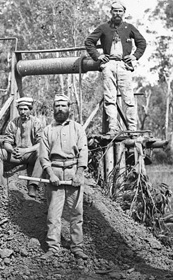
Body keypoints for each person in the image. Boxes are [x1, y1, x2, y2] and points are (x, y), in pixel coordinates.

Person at [84, 0, 146, 135]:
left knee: (128, 98)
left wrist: (135, 56)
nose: (117, 14)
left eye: (120, 11)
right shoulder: (103, 27)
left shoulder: (129, 27)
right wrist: (98, 56)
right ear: (111, 12)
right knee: (109, 98)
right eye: (115, 11)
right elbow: (89, 42)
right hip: (109, 64)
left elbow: (142, 42)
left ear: (124, 13)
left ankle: (132, 129)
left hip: (124, 65)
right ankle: (113, 128)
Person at [38, 95, 89, 260]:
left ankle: (77, 247)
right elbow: (43, 156)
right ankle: (53, 247)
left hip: (73, 170)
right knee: (53, 214)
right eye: (57, 106)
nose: (60, 109)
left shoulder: (77, 128)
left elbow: (83, 151)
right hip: (56, 172)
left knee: (76, 213)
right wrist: (51, 174)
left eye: (63, 105)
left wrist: (80, 174)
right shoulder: (47, 130)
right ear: (53, 109)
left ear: (69, 108)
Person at [0, 97, 44, 198]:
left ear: (30, 109)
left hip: (30, 154)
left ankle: (33, 185)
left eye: (25, 109)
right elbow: (7, 142)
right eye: (20, 109)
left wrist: (25, 150)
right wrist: (12, 150)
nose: (23, 112)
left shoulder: (36, 123)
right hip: (16, 154)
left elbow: (41, 143)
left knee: (42, 154)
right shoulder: (13, 123)